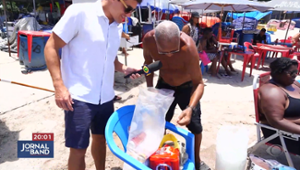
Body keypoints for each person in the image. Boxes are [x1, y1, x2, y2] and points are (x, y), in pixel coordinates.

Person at [44, 0, 142, 169]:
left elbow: (109, 57)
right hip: (79, 97)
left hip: (106, 97)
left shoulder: (117, 25)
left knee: (101, 139)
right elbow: (51, 46)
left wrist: (123, 68)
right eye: (128, 9)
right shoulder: (79, 13)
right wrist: (59, 86)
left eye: (132, 11)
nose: (128, 15)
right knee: (78, 149)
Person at [143, 21, 209, 170]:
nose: (170, 55)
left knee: (196, 127)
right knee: (158, 124)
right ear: (156, 41)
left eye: (174, 50)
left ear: (179, 39)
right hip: (164, 84)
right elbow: (148, 66)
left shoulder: (189, 47)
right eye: (164, 52)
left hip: (187, 87)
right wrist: (150, 90)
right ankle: (159, 157)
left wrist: (190, 108)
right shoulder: (148, 40)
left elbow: (199, 83)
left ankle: (197, 161)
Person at [259, 57, 300, 155]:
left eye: (296, 71)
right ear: (278, 72)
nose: (295, 75)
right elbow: (277, 122)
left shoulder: (293, 83)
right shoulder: (273, 92)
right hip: (284, 136)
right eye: (291, 73)